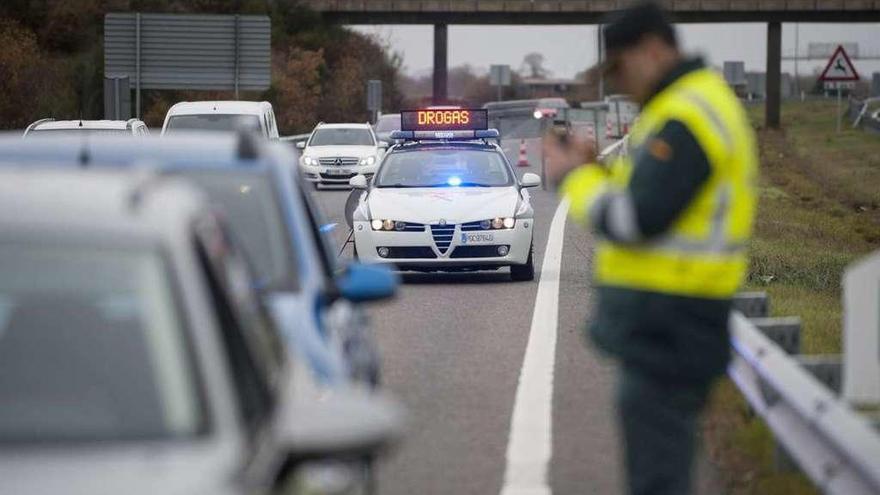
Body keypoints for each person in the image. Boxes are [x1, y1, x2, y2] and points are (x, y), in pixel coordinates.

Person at [544, 2, 758, 494]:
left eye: (619, 68)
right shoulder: (679, 108)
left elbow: (635, 219)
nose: (617, 82)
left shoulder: (689, 114)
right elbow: (650, 196)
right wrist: (597, 168)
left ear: (654, 50)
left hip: (672, 325)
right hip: (669, 324)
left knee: (657, 480)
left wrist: (574, 178)